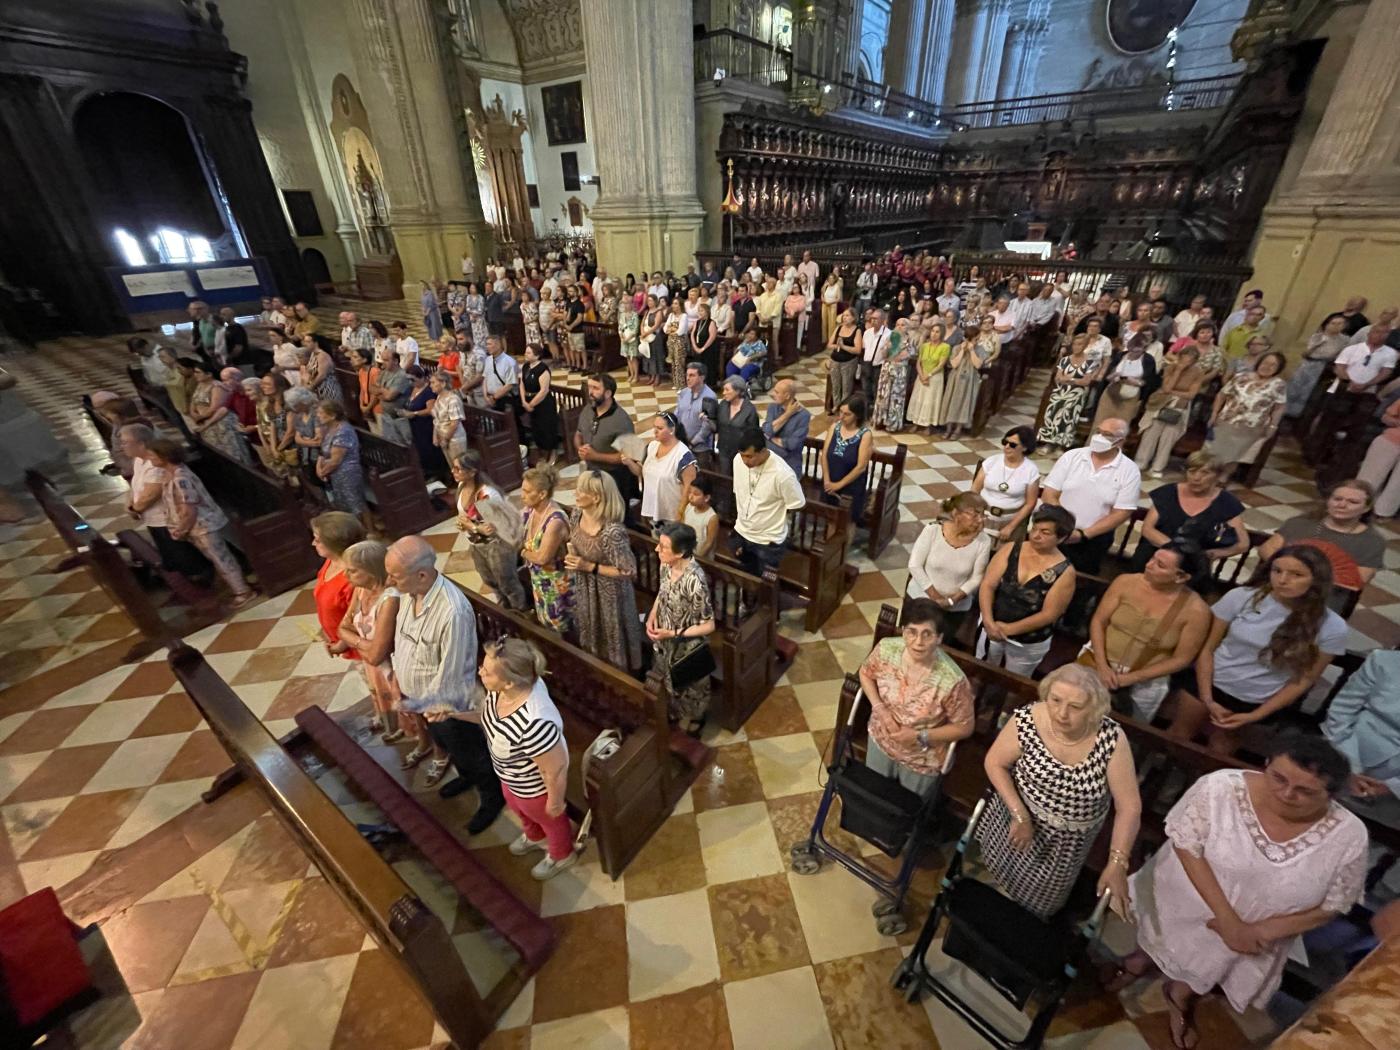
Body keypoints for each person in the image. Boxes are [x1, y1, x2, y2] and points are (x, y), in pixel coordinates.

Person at [1122, 737, 1366, 1049]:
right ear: (1267, 764)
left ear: (1331, 796)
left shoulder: (1350, 835)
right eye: (1278, 778)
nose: (1286, 794)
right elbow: (1186, 845)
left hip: (1259, 929)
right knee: (1157, 933)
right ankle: (1138, 961)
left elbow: (1336, 902)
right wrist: (1229, 921)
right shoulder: (1220, 788)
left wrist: (1260, 929)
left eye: (1305, 791)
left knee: (1212, 961)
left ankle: (1180, 994)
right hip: (1188, 894)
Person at [979, 663, 1139, 920]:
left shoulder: (1111, 739)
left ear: (1094, 708)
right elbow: (994, 763)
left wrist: (1118, 861)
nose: (1061, 713)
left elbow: (1129, 806)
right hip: (1015, 818)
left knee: (1038, 902)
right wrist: (1020, 815)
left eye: (1075, 707)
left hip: (1064, 845)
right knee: (1000, 871)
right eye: (1055, 700)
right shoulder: (1028, 718)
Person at [1171, 546, 1346, 753]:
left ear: (1316, 580)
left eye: (1296, 575)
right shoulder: (1241, 597)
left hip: (1257, 698)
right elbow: (1207, 648)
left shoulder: (1332, 626)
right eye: (1277, 570)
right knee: (1178, 735)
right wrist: (1207, 697)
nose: (1282, 580)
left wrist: (1256, 715)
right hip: (1210, 679)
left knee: (1221, 749)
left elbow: (1303, 680)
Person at [431, 639, 576, 879]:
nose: (480, 672)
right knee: (518, 808)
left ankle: (561, 854)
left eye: (486, 671)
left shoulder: (535, 722)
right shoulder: (499, 693)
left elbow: (556, 769)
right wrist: (453, 714)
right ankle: (533, 835)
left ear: (509, 681)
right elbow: (487, 718)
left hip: (535, 788)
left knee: (550, 820)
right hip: (510, 777)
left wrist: (555, 802)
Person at [386, 536, 503, 829]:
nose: (389, 581)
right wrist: (399, 681)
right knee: (445, 744)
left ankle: (492, 797)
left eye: (395, 575)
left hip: (449, 706)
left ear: (422, 575)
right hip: (423, 700)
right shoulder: (407, 593)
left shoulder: (452, 611)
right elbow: (403, 641)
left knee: (470, 753)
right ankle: (465, 776)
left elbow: (453, 672)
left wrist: (426, 705)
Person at [1084, 543, 1213, 723]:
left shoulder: (1196, 611)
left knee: (1123, 730)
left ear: (1181, 577)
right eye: (1152, 558)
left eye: (1160, 565)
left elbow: (1182, 659)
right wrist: (1102, 665)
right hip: (1097, 661)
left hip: (1147, 680)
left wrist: (1130, 678)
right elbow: (1099, 621)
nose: (1148, 565)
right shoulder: (1125, 582)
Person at [858, 600, 974, 797]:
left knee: (907, 808)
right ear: (903, 631)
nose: (918, 641)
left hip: (921, 757)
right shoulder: (886, 649)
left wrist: (920, 736)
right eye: (912, 631)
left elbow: (964, 727)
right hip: (881, 738)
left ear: (939, 638)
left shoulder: (952, 681)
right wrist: (881, 710)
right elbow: (866, 673)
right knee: (874, 796)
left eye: (927, 634)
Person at [146, 438, 256, 606]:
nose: (150, 459)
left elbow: (189, 510)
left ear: (165, 456)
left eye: (153, 456)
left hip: (203, 526)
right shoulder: (171, 474)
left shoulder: (180, 478)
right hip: (197, 527)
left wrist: (182, 529)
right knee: (218, 559)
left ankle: (243, 592)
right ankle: (239, 588)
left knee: (222, 559)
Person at [977, 506, 1077, 676]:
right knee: (981, 669)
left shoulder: (1065, 572)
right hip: (991, 625)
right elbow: (988, 584)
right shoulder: (1010, 549)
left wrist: (1008, 629)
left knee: (1014, 681)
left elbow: (1049, 614)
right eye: (1035, 528)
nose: (1036, 536)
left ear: (1061, 538)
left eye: (1045, 532)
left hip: (1028, 641)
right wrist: (988, 620)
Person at [564, 469, 642, 672]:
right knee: (589, 628)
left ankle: (620, 675)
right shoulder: (576, 514)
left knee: (612, 634)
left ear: (596, 497)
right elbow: (573, 540)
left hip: (611, 593)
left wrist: (589, 566)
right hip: (585, 585)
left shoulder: (612, 532)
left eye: (582, 491)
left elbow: (629, 571)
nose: (576, 493)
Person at [1041, 418, 1142, 573]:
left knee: (1079, 577)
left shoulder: (1129, 470)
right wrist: (1064, 526)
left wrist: (1084, 534)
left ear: (1120, 441)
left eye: (1106, 434)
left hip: (1093, 539)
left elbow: (1122, 512)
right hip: (1058, 530)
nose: (1099, 437)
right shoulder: (1072, 456)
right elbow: (1050, 493)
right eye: (1098, 431)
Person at [646, 522, 717, 734]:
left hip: (687, 644)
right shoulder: (666, 565)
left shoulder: (695, 581)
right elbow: (662, 592)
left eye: (663, 547)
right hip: (665, 637)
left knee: (691, 687)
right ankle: (675, 712)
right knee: (667, 679)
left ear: (681, 552)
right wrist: (652, 615)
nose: (657, 550)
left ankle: (695, 719)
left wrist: (674, 633)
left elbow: (709, 625)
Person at [1258, 479, 1384, 597]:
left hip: (1324, 597)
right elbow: (1267, 549)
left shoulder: (1371, 541)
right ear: (1328, 501)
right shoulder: (1300, 523)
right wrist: (1289, 570)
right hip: (1277, 587)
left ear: (1366, 508)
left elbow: (1358, 580)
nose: (1342, 505)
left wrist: (1306, 578)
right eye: (1337, 499)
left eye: (1352, 502)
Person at [117, 424, 209, 581]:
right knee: (170, 554)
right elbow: (135, 483)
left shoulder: (157, 463)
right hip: (153, 519)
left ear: (141, 444)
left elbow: (153, 493)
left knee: (184, 554)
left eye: (125, 442)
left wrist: (135, 508)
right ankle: (182, 578)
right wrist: (130, 501)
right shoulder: (138, 460)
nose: (121, 446)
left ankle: (200, 580)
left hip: (166, 518)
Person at [1323, 647, 1400, 827]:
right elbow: (1342, 710)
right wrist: (1349, 766)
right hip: (1348, 748)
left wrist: (1393, 786)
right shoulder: (1383, 660)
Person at [1132, 453, 1248, 572]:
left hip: (1193, 566)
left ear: (1217, 476)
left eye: (1205, 473)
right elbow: (1148, 529)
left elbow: (1243, 544)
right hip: (1153, 557)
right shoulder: (1168, 493)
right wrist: (1179, 551)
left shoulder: (1226, 502)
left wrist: (1211, 554)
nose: (1196, 478)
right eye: (1192, 471)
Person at [335, 540, 404, 740]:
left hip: (393, 667)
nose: (346, 575)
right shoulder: (361, 590)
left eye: (353, 571)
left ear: (372, 571)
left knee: (406, 709)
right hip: (374, 665)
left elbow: (377, 655)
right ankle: (398, 727)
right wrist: (365, 645)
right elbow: (342, 628)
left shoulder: (390, 599)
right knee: (385, 700)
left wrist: (355, 641)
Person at [906, 493, 991, 638]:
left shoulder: (983, 541)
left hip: (955, 608)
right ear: (956, 514)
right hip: (920, 600)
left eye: (982, 515)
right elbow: (915, 565)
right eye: (974, 515)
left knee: (941, 645)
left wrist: (952, 601)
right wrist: (936, 598)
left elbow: (976, 578)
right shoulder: (932, 530)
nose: (979, 520)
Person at [731, 424, 806, 581]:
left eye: (749, 456)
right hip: (742, 532)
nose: (745, 461)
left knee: (767, 583)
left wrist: (771, 517)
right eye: (742, 455)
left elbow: (797, 504)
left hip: (768, 541)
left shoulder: (783, 474)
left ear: (763, 451)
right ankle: (747, 603)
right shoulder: (737, 461)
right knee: (745, 577)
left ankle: (768, 605)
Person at [450, 452, 525, 609]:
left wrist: (472, 526)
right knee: (490, 580)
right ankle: (504, 609)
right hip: (477, 544)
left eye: (457, 468)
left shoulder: (486, 494)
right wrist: (464, 524)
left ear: (472, 471)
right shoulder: (461, 487)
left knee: (507, 583)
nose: (453, 471)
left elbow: (495, 529)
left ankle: (521, 613)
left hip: (497, 546)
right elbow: (465, 517)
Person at [1205, 351, 1288, 470]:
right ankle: (1207, 474)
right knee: (1214, 452)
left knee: (1237, 455)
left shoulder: (1279, 385)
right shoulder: (1241, 376)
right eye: (1265, 363)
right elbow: (1222, 395)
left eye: (1273, 365)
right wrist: (1214, 413)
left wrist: (1273, 426)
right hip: (1227, 421)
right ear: (1259, 362)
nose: (1267, 367)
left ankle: (1223, 478)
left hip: (1251, 427)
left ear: (1278, 368)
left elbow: (1279, 407)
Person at [1134, 345, 1205, 477]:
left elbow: (1191, 395)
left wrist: (1173, 393)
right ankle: (1141, 462)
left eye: (1190, 359)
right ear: (1180, 357)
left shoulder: (1198, 372)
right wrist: (1178, 371)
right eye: (1184, 358)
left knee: (1168, 437)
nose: (1187, 361)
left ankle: (1157, 467)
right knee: (1151, 433)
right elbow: (1167, 387)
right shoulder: (1170, 367)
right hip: (1161, 403)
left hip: (1180, 406)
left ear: (1195, 360)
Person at [518, 463, 572, 633]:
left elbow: (542, 558)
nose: (522, 496)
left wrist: (522, 551)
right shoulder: (530, 511)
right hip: (540, 581)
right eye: (522, 490)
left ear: (542, 494)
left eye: (527, 492)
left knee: (561, 627)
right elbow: (513, 529)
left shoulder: (554, 520)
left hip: (557, 583)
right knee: (546, 623)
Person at [621, 411, 697, 525]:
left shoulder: (683, 456)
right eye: (654, 427)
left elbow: (689, 488)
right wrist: (629, 462)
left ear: (672, 430)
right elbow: (642, 472)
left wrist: (680, 513)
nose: (655, 431)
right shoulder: (652, 446)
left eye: (660, 428)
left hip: (672, 515)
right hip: (652, 510)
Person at [311, 510, 366, 667]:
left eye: (317, 540)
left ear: (335, 544)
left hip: (361, 648)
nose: (313, 543)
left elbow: (360, 619)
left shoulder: (353, 578)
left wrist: (342, 644)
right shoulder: (330, 561)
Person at [972, 425, 1040, 541]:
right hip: (983, 516)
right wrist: (975, 516)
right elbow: (974, 491)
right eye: (1005, 442)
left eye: (1013, 445)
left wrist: (1010, 527)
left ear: (1024, 448)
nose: (1007, 447)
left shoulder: (1031, 470)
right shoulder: (991, 461)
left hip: (1011, 521)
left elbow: (1030, 503)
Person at [1036, 332, 1096, 451]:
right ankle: (1049, 442)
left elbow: (1085, 381)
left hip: (1077, 392)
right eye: (1074, 344)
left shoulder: (1089, 362)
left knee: (1068, 410)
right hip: (1061, 390)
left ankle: (1062, 444)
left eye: (1079, 344)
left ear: (1085, 346)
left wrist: (1070, 379)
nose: (1076, 347)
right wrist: (1073, 379)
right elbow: (1058, 378)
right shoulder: (1065, 360)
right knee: (1054, 408)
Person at [315, 401, 371, 527]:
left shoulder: (343, 431)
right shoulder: (328, 429)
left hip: (347, 471)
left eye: (321, 413)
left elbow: (336, 460)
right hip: (335, 473)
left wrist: (323, 472)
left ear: (332, 415)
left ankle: (370, 531)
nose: (318, 416)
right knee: (344, 504)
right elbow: (323, 451)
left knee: (356, 503)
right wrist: (319, 468)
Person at [187, 361, 253, 465]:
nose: (195, 374)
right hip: (206, 425)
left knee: (233, 453)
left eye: (198, 372)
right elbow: (193, 402)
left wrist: (200, 418)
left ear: (209, 374)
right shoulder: (200, 385)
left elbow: (215, 408)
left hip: (220, 424)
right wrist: (193, 414)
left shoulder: (217, 386)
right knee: (219, 455)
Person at [820, 394, 873, 522]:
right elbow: (825, 455)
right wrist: (827, 481)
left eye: (847, 414)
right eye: (841, 412)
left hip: (851, 486)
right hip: (830, 480)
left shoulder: (865, 435)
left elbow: (861, 467)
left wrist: (838, 485)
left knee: (848, 522)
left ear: (857, 415)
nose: (841, 417)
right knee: (830, 518)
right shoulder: (835, 427)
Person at [1093, 331, 1158, 430]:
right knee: (1100, 425)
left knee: (1119, 428)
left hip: (1131, 396)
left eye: (1137, 352)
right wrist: (1115, 375)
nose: (1132, 354)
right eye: (1131, 350)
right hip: (1111, 393)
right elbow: (1107, 377)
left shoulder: (1149, 360)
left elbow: (1147, 382)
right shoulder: (1120, 355)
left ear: (1144, 349)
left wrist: (1134, 381)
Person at [941, 316, 992, 440]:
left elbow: (978, 364)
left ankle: (958, 429)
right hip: (955, 379)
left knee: (965, 403)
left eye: (977, 339)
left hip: (970, 379)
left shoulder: (980, 349)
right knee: (951, 401)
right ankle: (948, 428)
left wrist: (972, 350)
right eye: (975, 339)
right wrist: (963, 351)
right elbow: (954, 364)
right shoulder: (957, 348)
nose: (976, 341)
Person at [515, 343, 560, 464]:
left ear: (537, 355)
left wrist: (531, 404)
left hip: (543, 404)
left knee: (546, 429)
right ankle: (541, 453)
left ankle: (553, 453)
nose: (525, 354)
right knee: (536, 429)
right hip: (529, 401)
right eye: (526, 352)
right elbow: (522, 383)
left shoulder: (543, 369)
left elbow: (544, 390)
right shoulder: (526, 367)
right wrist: (524, 401)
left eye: (528, 353)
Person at [1358, 396, 1400, 518]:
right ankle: (1357, 504)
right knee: (1369, 477)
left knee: (1397, 486)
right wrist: (1396, 422)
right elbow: (1385, 417)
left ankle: (1382, 513)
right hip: (1389, 440)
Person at [761, 378, 811, 477]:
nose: (773, 394)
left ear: (787, 396)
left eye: (777, 392)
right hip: (769, 462)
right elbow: (766, 430)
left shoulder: (803, 415)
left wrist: (770, 437)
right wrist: (787, 414)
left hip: (789, 466)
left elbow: (792, 444)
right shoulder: (772, 407)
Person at [906, 321, 949, 435]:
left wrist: (928, 375)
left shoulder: (945, 347)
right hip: (922, 375)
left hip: (934, 377)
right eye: (933, 331)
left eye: (937, 332)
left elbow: (941, 365)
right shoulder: (924, 346)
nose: (934, 334)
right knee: (918, 398)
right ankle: (916, 422)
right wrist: (921, 374)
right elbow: (918, 362)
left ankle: (928, 425)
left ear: (942, 334)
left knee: (930, 400)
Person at [872, 317, 913, 431]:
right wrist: (887, 348)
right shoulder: (890, 338)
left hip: (899, 372)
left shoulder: (909, 340)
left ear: (907, 328)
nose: (899, 327)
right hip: (886, 370)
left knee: (895, 397)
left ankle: (892, 424)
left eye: (902, 325)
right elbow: (884, 355)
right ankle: (880, 421)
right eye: (897, 324)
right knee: (882, 395)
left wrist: (893, 353)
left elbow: (900, 357)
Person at [715, 375, 760, 469]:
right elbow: (717, 426)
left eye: (727, 390)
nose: (723, 393)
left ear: (738, 391)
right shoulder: (723, 405)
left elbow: (754, 434)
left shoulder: (749, 410)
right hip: (724, 450)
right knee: (724, 479)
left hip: (741, 454)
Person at [676, 363, 717, 456]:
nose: (687, 378)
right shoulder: (683, 393)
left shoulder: (710, 397)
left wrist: (692, 443)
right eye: (687, 375)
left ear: (702, 378)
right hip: (682, 444)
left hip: (701, 449)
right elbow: (677, 415)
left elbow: (707, 425)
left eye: (692, 375)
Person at [826, 308, 863, 409]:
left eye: (847, 316)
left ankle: (844, 408)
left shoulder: (857, 330)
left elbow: (857, 350)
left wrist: (843, 347)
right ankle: (835, 405)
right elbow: (829, 344)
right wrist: (837, 346)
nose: (845, 318)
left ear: (853, 318)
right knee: (835, 385)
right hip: (835, 360)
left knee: (846, 386)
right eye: (844, 315)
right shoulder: (838, 328)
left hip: (848, 362)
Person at [430, 369, 467, 463]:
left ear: (443, 383)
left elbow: (454, 423)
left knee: (460, 466)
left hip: (454, 439)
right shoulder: (439, 397)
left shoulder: (453, 399)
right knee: (452, 468)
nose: (431, 386)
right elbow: (436, 419)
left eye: (433, 382)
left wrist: (446, 439)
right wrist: (435, 436)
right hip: (443, 437)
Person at [683, 475, 719, 559]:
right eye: (689, 492)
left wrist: (697, 558)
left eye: (696, 494)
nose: (691, 497)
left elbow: (709, 543)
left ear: (706, 498)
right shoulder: (689, 507)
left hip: (701, 557)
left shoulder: (711, 517)